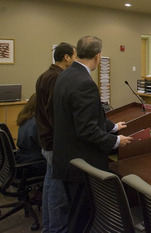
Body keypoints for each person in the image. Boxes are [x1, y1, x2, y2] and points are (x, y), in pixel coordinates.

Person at [52, 36, 132, 232]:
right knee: (83, 218)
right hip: (82, 165)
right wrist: (115, 141)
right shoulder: (84, 82)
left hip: (66, 159)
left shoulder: (65, 75)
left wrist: (113, 127)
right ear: (98, 56)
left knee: (75, 213)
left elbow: (85, 115)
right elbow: (86, 129)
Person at [35, 42, 76, 233]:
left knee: (50, 185)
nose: (75, 60)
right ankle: (56, 229)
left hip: (46, 140)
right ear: (66, 57)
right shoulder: (57, 78)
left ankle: (49, 227)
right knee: (58, 191)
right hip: (54, 143)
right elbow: (55, 114)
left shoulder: (45, 75)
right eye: (74, 56)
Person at [15, 93, 46, 177]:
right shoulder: (38, 123)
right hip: (34, 164)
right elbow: (46, 146)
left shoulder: (25, 119)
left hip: (22, 160)